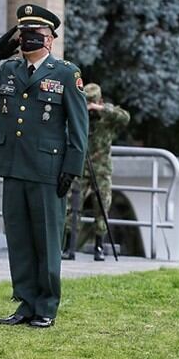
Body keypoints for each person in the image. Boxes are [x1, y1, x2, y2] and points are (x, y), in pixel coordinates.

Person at [0, 4, 88, 328]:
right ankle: (25, 304)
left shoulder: (64, 73)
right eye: (24, 35)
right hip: (12, 166)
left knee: (46, 239)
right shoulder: (8, 70)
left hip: (48, 169)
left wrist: (72, 169)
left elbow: (78, 125)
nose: (29, 40)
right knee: (19, 239)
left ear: (50, 40)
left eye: (36, 35)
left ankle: (46, 307)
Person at [64, 83, 130, 261]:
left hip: (101, 170)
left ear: (99, 100)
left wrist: (101, 109)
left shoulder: (107, 116)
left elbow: (125, 118)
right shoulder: (78, 115)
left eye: (92, 102)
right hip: (80, 168)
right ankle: (68, 247)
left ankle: (99, 247)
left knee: (101, 207)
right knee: (72, 208)